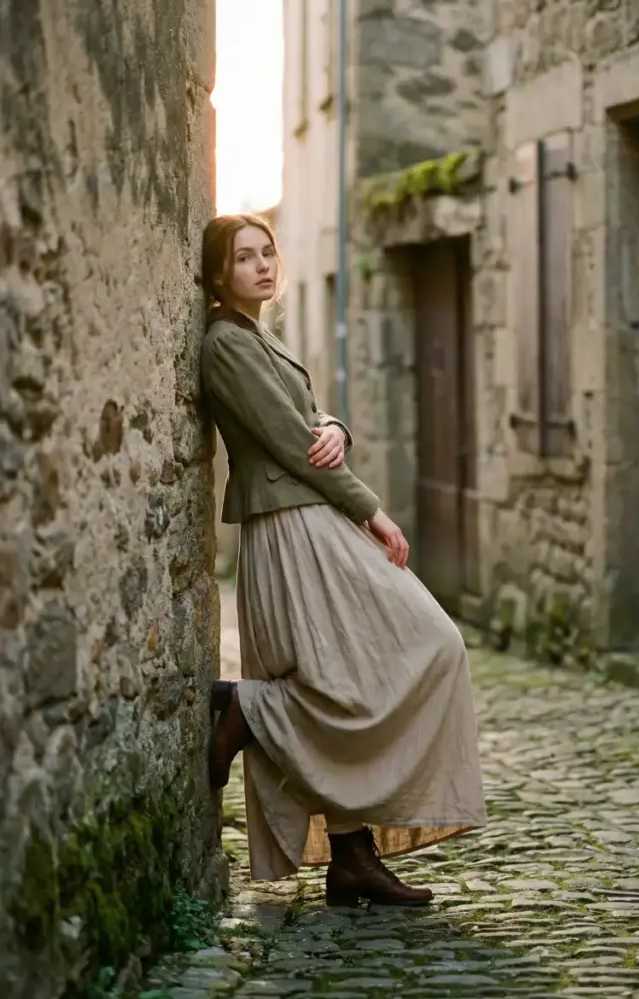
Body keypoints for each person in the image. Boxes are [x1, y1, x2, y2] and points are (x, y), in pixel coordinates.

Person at [200, 213, 486, 907]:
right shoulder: (224, 345)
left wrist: (336, 424)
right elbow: (291, 443)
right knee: (420, 646)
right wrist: (371, 510)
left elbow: (308, 421)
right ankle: (248, 707)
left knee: (353, 667)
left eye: (268, 251)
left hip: (310, 518)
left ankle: (351, 859)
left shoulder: (256, 337)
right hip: (293, 524)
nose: (263, 265)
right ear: (216, 274)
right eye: (244, 257)